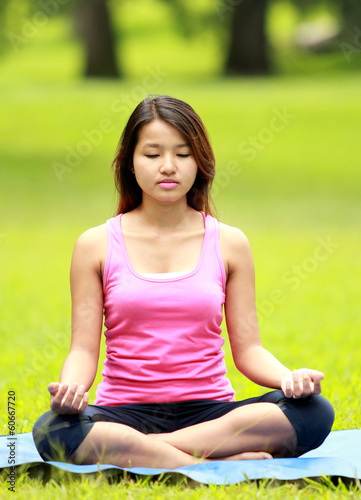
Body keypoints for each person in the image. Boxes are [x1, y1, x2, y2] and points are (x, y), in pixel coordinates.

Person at [32, 95, 334, 469]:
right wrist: (72, 391)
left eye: (183, 154)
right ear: (130, 162)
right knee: (52, 429)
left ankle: (152, 452)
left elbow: (249, 350)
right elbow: (82, 349)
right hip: (122, 413)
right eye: (153, 154)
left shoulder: (229, 242)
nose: (168, 167)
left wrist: (291, 379)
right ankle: (207, 464)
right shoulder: (94, 245)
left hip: (212, 416)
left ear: (200, 161)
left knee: (314, 411)